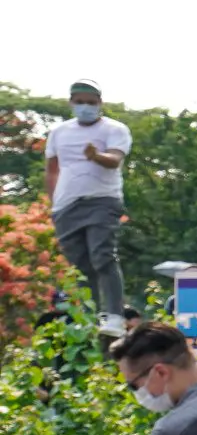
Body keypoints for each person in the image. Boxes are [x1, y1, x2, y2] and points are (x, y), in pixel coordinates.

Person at [45, 79, 132, 336]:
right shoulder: (59, 132)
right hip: (67, 205)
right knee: (80, 267)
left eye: (91, 103)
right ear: (71, 103)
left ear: (100, 103)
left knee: (102, 255)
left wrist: (96, 156)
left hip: (102, 200)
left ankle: (115, 316)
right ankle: (88, 317)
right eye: (80, 102)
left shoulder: (114, 129)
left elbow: (115, 160)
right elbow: (51, 170)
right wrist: (54, 204)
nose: (85, 107)